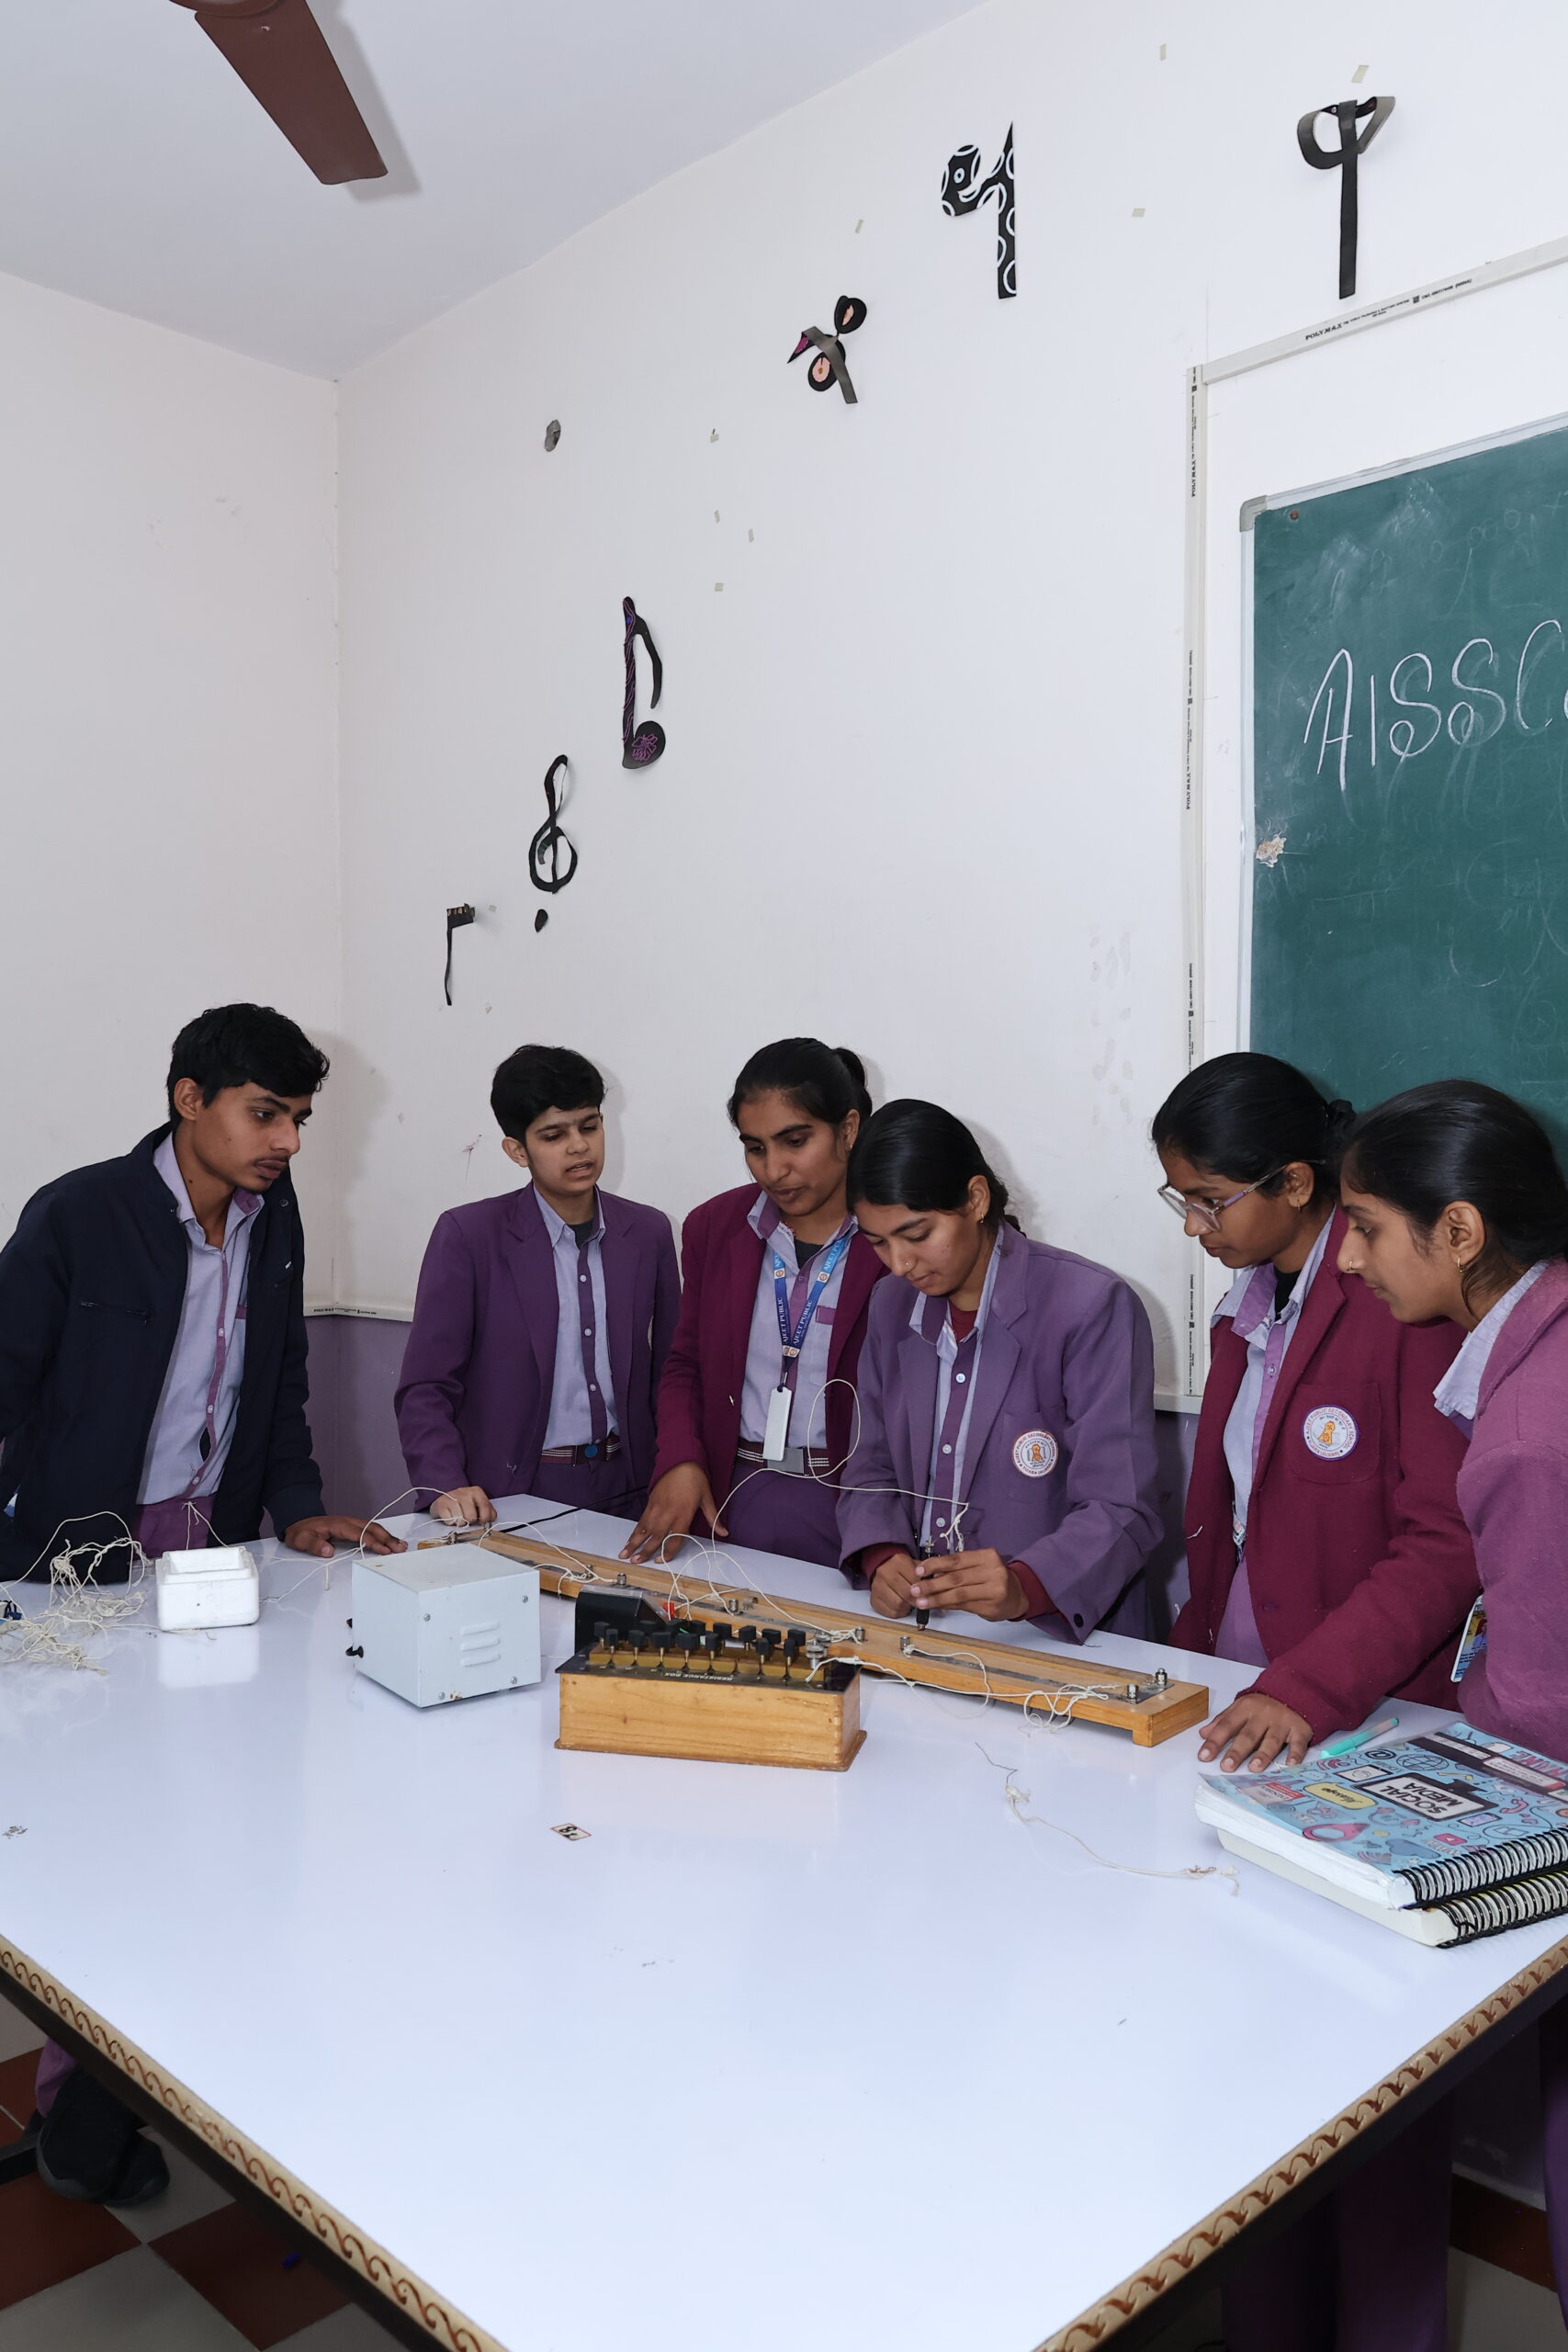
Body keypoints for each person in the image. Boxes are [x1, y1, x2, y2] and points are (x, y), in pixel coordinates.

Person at [0, 1001, 402, 2211]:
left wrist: (298, 1506)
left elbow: (276, 1387)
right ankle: (80, 2101)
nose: (287, 1141)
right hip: (76, 1567)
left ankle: (139, 2079)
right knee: (96, 1840)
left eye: (300, 1118)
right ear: (189, 1099)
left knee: (209, 1825)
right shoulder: (80, 1214)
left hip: (213, 1557)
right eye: (265, 1113)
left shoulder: (274, 1221)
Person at [1338, 1079, 1568, 2342]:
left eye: (1368, 1226)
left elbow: (1539, 1719)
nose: (1350, 1258)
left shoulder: (1529, 1431)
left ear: (1461, 1231)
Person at [1154, 1053, 1476, 1776]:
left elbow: (1446, 1539)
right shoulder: (1242, 1305)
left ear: (1295, 1184)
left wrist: (1312, 1684)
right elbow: (1233, 1511)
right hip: (1245, 1675)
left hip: (1364, 1698)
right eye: (1182, 1202)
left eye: (1210, 1200)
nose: (1193, 1226)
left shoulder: (1406, 1307)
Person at [837, 1099, 1160, 1633]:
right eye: (877, 1242)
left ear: (976, 1198)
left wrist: (1026, 1585)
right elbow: (870, 1463)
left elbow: (1121, 1506)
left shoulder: (1089, 1306)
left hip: (1058, 1633)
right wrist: (881, 1552)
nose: (899, 1264)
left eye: (917, 1235)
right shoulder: (891, 1306)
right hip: (932, 1625)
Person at [624, 1040, 884, 1568]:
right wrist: (680, 1458)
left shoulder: (894, 1239)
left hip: (855, 1511)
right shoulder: (715, 1227)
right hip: (727, 1500)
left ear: (848, 1129)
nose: (773, 1169)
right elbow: (685, 1365)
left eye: (795, 1141)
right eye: (755, 1147)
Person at [396, 1045, 679, 1524]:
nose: (579, 1146)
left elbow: (671, 1371)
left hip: (631, 1488)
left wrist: (674, 1470)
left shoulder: (648, 1232)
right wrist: (443, 1482)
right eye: (554, 1134)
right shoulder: (470, 1235)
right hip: (511, 1493)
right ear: (517, 1150)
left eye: (589, 1126)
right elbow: (427, 1385)